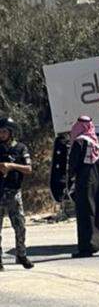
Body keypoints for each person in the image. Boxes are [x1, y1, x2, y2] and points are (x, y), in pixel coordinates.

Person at [68, 115, 99, 258]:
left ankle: (86, 247)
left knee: (86, 213)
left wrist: (69, 180)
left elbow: (73, 165)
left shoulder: (80, 142)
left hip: (85, 183)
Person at [0, 116, 34, 270]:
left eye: (4, 131)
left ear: (11, 132)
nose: (1, 134)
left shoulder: (20, 148)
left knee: (20, 226)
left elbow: (28, 169)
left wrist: (12, 166)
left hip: (13, 192)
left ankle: (21, 254)